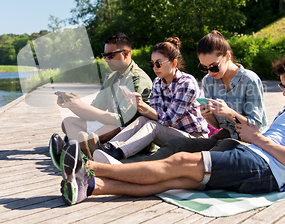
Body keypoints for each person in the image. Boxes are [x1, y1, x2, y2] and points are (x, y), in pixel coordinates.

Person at [51, 50, 285, 205]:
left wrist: (257, 139)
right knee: (172, 181)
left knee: (178, 162)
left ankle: (90, 166)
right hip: (254, 156)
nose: (283, 91)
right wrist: (234, 126)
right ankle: (91, 187)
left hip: (265, 167)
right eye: (281, 85)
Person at [78, 37, 209, 161]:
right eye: (152, 64)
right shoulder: (158, 82)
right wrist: (139, 106)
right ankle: (108, 148)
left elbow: (169, 120)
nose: (154, 68)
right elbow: (155, 114)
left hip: (193, 138)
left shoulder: (186, 83)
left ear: (174, 63)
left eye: (158, 63)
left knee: (152, 126)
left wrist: (143, 107)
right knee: (142, 119)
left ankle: (117, 153)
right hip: (170, 134)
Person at [144, 30, 267, 161]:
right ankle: (138, 168)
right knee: (177, 145)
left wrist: (229, 113)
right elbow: (217, 126)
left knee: (206, 158)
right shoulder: (208, 80)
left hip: (248, 140)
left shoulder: (249, 80)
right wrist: (207, 116)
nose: (209, 72)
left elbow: (256, 126)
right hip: (223, 136)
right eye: (204, 67)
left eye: (214, 67)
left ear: (228, 56)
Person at [56, 32, 152, 150]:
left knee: (104, 131)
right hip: (110, 124)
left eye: (110, 55)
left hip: (128, 129)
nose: (106, 59)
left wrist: (82, 105)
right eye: (104, 55)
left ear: (126, 53)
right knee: (67, 122)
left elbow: (122, 120)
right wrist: (72, 104)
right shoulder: (112, 78)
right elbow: (91, 114)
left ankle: (76, 145)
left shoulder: (138, 79)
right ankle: (85, 146)